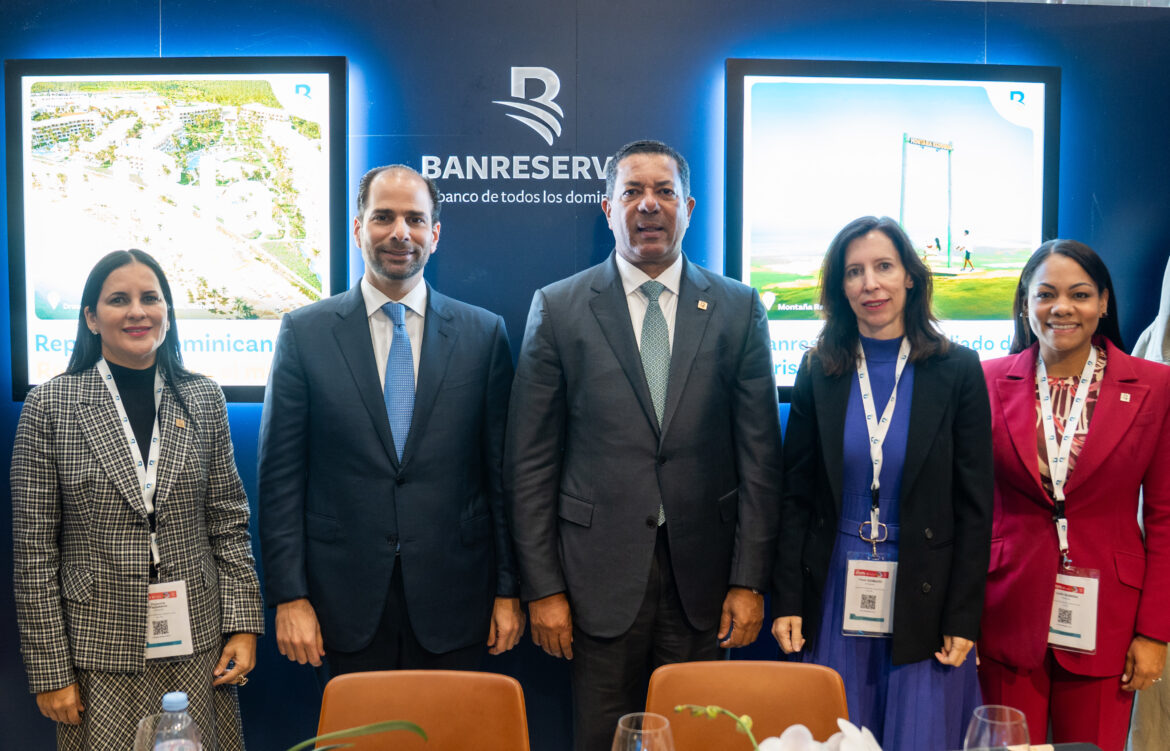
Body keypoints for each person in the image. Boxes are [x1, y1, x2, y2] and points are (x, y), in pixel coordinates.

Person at [505, 139, 783, 751]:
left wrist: (748, 580)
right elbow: (529, 464)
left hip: (704, 584)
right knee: (600, 739)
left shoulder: (737, 308)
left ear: (689, 207)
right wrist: (543, 588)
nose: (648, 205)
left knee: (698, 738)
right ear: (608, 209)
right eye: (631, 192)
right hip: (594, 583)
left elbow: (761, 459)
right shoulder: (559, 307)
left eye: (663, 192)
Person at [259, 165, 523, 679]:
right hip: (341, 604)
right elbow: (280, 481)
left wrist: (509, 590)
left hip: (458, 599)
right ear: (358, 228)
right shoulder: (305, 333)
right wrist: (289, 596)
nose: (400, 233)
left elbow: (502, 476)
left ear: (434, 234)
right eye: (383, 217)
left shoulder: (484, 335)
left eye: (414, 219)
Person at [11, 249, 263, 751]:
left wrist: (242, 626)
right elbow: (34, 553)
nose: (137, 312)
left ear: (167, 312)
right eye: (118, 300)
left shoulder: (203, 397)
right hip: (98, 649)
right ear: (91, 317)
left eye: (151, 298)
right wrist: (50, 671)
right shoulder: (50, 405)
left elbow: (228, 522)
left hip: (197, 642)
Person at [771, 216, 992, 749]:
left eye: (884, 267)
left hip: (926, 590)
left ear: (910, 277)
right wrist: (788, 600)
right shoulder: (819, 370)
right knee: (838, 732)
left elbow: (975, 506)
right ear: (840, 287)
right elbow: (795, 496)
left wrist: (964, 616)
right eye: (854, 272)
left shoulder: (958, 369)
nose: (870, 283)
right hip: (834, 588)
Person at [979, 240, 1170, 750]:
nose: (1061, 307)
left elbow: (1165, 517)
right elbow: (967, 508)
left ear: (1103, 302)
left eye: (1079, 294)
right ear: (1025, 303)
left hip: (1108, 617)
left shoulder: (1155, 386)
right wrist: (960, 620)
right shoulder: (986, 380)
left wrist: (1154, 632)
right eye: (1046, 294)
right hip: (1004, 610)